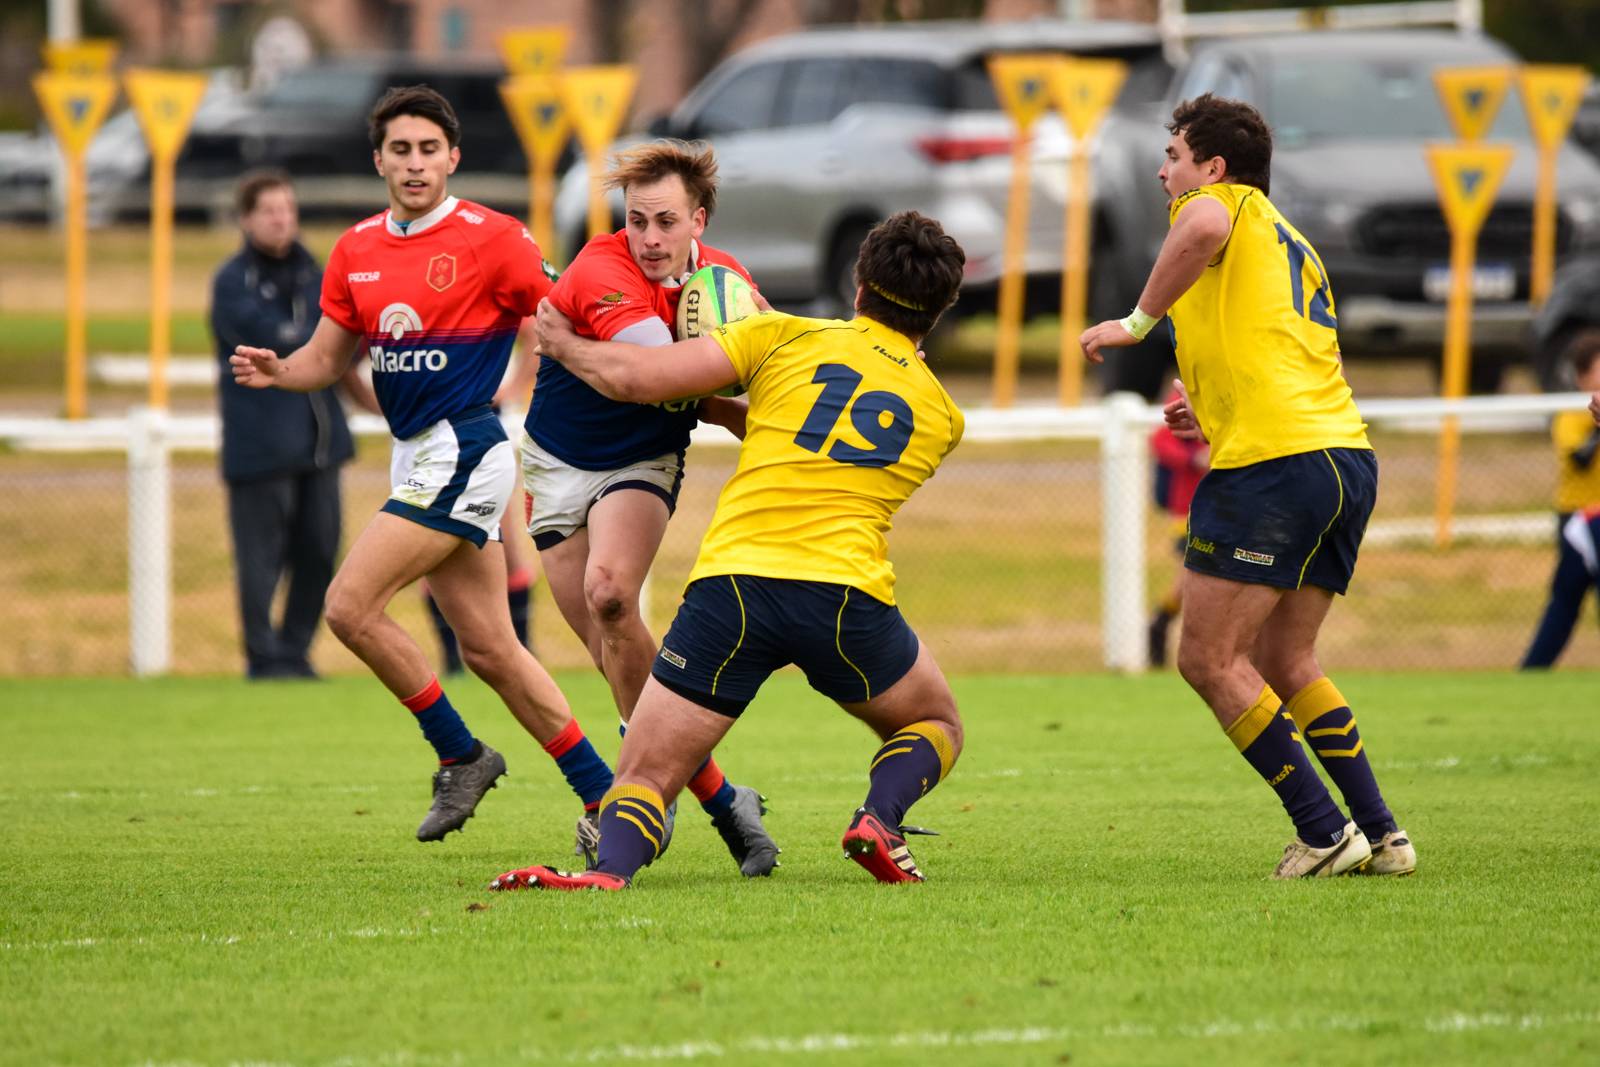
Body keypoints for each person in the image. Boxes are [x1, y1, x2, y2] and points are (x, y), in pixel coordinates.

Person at [489, 210, 968, 892]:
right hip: (843, 595)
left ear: (858, 287)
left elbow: (645, 377)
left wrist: (562, 346)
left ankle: (610, 870)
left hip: (734, 587)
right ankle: (880, 821)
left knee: (648, 772)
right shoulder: (943, 416)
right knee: (935, 719)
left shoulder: (782, 337)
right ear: (939, 313)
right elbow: (823, 439)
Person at [230, 86, 612, 843]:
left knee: (348, 606)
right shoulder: (357, 250)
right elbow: (326, 358)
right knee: (493, 651)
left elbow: (562, 313)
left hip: (466, 446)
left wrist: (560, 377)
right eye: (400, 150)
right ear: (379, 161)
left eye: (428, 149)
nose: (414, 163)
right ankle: (609, 798)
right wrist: (282, 370)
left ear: (453, 157)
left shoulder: (492, 237)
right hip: (417, 454)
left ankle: (460, 753)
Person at [1080, 93, 1414, 879]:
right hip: (1342, 459)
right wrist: (1212, 402)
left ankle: (1324, 830)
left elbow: (1198, 229)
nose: (1166, 173)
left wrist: (1133, 323)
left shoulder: (1211, 208)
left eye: (1175, 158)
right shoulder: (1288, 236)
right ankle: (1382, 832)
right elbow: (1280, 340)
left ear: (1215, 168)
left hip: (1275, 464)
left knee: (1206, 658)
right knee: (1285, 656)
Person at [504, 142, 777, 876]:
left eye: (665, 222)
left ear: (700, 219)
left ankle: (632, 796)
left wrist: (770, 410)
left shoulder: (730, 284)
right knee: (614, 655)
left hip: (642, 462)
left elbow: (746, 383)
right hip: (555, 466)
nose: (649, 239)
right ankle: (726, 803)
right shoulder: (601, 267)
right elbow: (652, 377)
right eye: (637, 221)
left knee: (612, 599)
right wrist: (731, 396)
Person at [210, 169, 376, 680]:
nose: (282, 220)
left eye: (288, 208)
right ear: (246, 219)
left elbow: (351, 337)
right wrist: (329, 338)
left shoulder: (316, 273)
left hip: (321, 443)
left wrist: (335, 341)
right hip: (261, 446)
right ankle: (263, 658)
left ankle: (294, 653)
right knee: (261, 559)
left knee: (319, 551)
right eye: (270, 210)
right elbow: (273, 341)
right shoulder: (232, 281)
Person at [1522, 337, 1600, 667]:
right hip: (1577, 520)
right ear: (1582, 376)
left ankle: (1532, 670)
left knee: (1565, 603)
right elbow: (1580, 458)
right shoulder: (1571, 413)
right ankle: (1532, 671)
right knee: (1565, 602)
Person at [1147, 382, 1209, 668]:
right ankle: (1159, 625)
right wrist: (1193, 459)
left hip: (1226, 508)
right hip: (1186, 512)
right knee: (1189, 582)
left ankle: (1162, 624)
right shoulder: (1186, 392)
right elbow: (1161, 439)